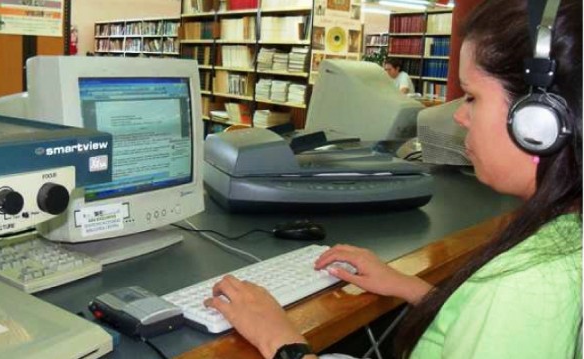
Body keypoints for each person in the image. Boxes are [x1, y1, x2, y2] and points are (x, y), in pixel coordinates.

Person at [204, 0, 582, 358]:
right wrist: (410, 287)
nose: (459, 116)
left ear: (539, 122)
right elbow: (486, 328)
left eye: (471, 97)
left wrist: (283, 342)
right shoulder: (564, 239)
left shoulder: (523, 290)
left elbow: (507, 314)